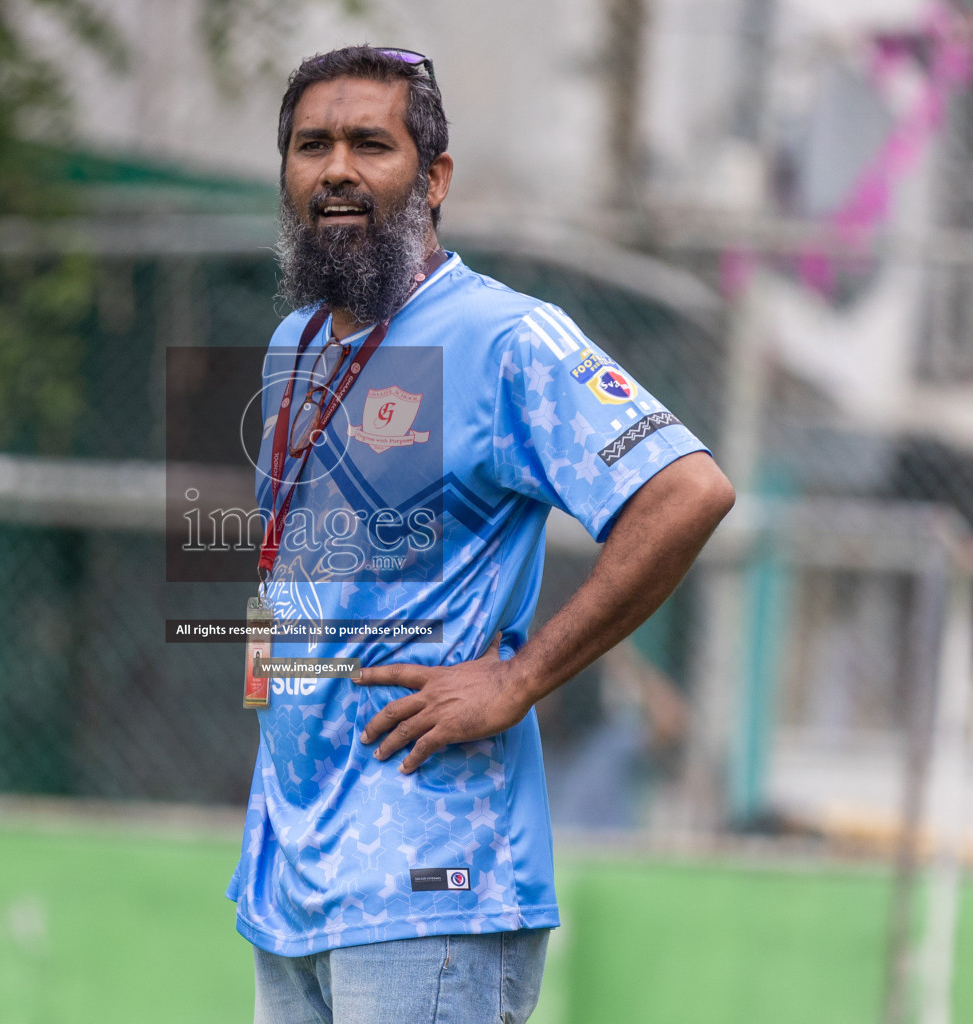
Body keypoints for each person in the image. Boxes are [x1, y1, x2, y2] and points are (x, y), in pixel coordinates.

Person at [228, 45, 735, 1023]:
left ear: (433, 177)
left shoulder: (505, 338)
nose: (335, 167)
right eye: (309, 145)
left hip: (431, 885)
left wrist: (517, 678)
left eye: (369, 143)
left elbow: (686, 491)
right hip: (291, 879)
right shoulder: (294, 348)